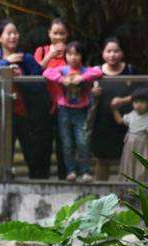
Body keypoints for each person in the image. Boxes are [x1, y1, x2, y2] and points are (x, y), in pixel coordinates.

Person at [0, 19, 46, 179]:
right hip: (1, 113)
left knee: (32, 154)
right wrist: (6, 63)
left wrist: (21, 77)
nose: (13, 36)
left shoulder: (26, 58)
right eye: (9, 33)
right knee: (5, 153)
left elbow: (40, 83)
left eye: (15, 33)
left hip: (25, 114)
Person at [43, 42, 102, 183]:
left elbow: (98, 72)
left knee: (83, 142)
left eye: (77, 54)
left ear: (82, 56)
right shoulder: (62, 70)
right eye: (70, 54)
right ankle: (71, 171)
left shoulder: (85, 71)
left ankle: (85, 171)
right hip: (64, 110)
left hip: (81, 110)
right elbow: (46, 72)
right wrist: (61, 79)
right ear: (66, 56)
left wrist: (82, 78)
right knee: (67, 142)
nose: (73, 57)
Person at [89, 37, 136, 181]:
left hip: (125, 123)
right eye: (108, 51)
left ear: (121, 53)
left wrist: (123, 100)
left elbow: (141, 94)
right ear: (103, 53)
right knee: (101, 160)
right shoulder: (95, 72)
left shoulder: (130, 70)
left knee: (127, 159)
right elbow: (83, 95)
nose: (112, 54)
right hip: (101, 123)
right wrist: (92, 92)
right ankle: (100, 196)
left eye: (116, 51)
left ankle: (126, 196)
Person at [34, 18, 70, 179]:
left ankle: (66, 175)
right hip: (44, 103)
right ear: (49, 33)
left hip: (67, 103)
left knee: (65, 142)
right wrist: (49, 56)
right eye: (55, 33)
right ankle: (42, 177)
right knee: (43, 141)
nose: (59, 37)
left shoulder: (72, 52)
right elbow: (35, 72)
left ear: (67, 34)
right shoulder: (41, 50)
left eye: (62, 33)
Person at [113, 88, 148, 182]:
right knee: (128, 164)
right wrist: (115, 110)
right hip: (130, 146)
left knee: (141, 167)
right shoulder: (132, 114)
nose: (139, 105)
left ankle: (139, 188)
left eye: (142, 102)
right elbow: (120, 121)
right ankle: (126, 187)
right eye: (136, 102)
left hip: (142, 146)